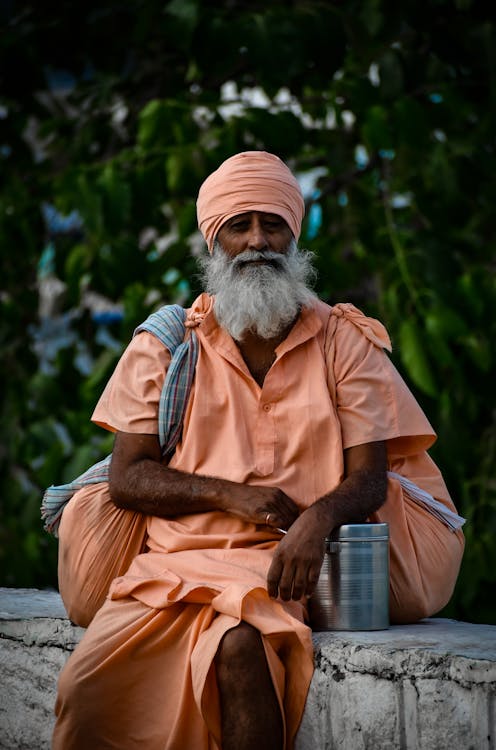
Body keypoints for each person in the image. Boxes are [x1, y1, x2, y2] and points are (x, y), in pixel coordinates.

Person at [52, 151, 464, 750]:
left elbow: (369, 479)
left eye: (273, 225)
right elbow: (128, 479)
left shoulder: (344, 341)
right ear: (213, 240)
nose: (257, 242)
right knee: (88, 689)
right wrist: (235, 497)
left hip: (286, 566)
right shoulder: (167, 346)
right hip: (170, 567)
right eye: (239, 226)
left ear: (295, 237)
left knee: (239, 646)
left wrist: (316, 520)